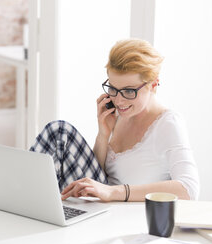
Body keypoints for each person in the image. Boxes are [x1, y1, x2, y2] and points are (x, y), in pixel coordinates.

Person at [29, 38, 199, 202]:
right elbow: (97, 178)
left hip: (126, 214)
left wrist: (114, 191)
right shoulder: (118, 116)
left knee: (60, 130)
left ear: (153, 84)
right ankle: (25, 198)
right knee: (57, 133)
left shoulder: (168, 123)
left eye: (129, 91)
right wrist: (103, 135)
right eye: (113, 89)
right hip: (103, 207)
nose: (119, 101)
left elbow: (189, 188)